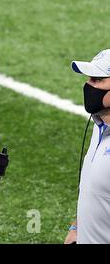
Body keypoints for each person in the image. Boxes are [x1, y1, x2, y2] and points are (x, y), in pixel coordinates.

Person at [65, 49, 110, 244]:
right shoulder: (99, 126)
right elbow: (93, 191)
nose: (88, 86)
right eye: (89, 79)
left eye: (98, 80)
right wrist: (77, 227)